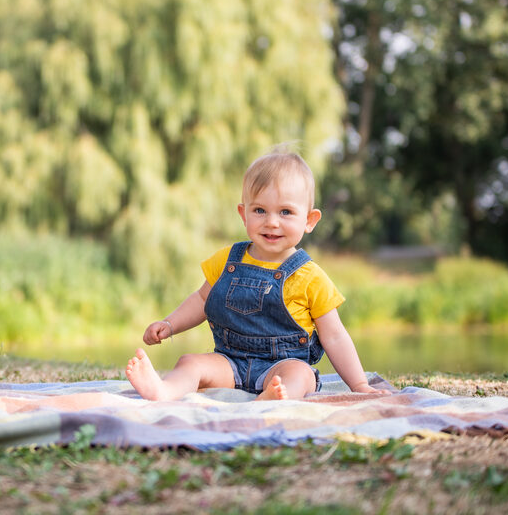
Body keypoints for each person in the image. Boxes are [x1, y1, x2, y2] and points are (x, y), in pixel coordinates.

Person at [126, 145, 389, 401]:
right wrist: (170, 324)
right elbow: (202, 300)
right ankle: (164, 391)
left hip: (282, 366)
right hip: (229, 362)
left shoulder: (310, 277)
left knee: (301, 374)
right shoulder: (227, 260)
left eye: (285, 212)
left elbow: (334, 335)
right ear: (244, 213)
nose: (271, 222)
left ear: (309, 220)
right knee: (191, 362)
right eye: (259, 210)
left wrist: (359, 384)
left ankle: (274, 397)